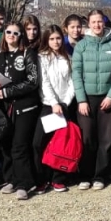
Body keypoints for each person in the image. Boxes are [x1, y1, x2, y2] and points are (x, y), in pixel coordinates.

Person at [71, 9, 111, 191]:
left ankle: (101, 174)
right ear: (89, 24)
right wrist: (81, 99)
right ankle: (85, 174)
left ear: (104, 23)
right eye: (93, 22)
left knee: (106, 139)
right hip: (87, 97)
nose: (97, 25)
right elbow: (76, 73)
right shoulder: (82, 46)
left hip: (107, 97)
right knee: (87, 138)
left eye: (100, 22)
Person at [0, 21, 41, 200]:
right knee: (7, 144)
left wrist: (7, 91)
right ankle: (11, 178)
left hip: (25, 105)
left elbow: (33, 81)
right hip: (6, 107)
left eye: (16, 33)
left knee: (20, 145)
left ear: (21, 36)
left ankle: (25, 183)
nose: (11, 35)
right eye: (8, 32)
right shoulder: (0, 56)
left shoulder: (28, 54)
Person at [33, 25, 76, 193]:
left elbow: (72, 82)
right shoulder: (41, 57)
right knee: (39, 143)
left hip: (65, 106)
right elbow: (44, 83)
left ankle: (58, 179)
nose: (56, 41)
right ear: (46, 40)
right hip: (48, 106)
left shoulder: (68, 58)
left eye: (58, 38)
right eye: (52, 39)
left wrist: (65, 102)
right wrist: (54, 103)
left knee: (61, 144)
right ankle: (41, 179)